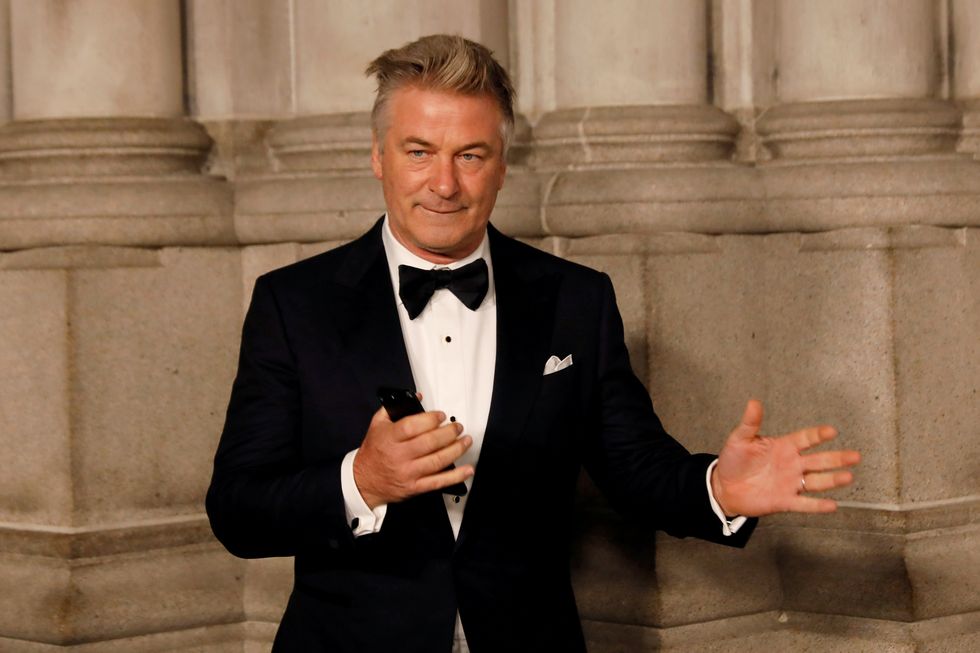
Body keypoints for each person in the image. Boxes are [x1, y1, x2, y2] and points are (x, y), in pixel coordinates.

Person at [206, 34, 860, 653]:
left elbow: (636, 468)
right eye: (418, 151)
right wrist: (362, 480)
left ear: (502, 166)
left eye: (470, 154)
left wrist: (719, 487)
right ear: (378, 157)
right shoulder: (293, 303)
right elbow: (238, 510)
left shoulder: (576, 299)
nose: (444, 183)